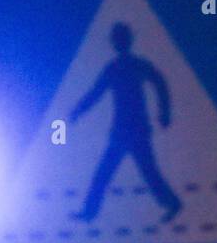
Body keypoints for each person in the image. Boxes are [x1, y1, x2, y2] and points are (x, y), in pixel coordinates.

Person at [69, 21, 182, 223]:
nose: (117, 43)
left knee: (135, 171)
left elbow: (159, 83)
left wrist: (164, 112)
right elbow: (96, 93)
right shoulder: (118, 67)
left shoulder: (128, 65)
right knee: (119, 171)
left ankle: (90, 212)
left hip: (132, 129)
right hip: (126, 129)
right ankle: (89, 212)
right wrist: (77, 111)